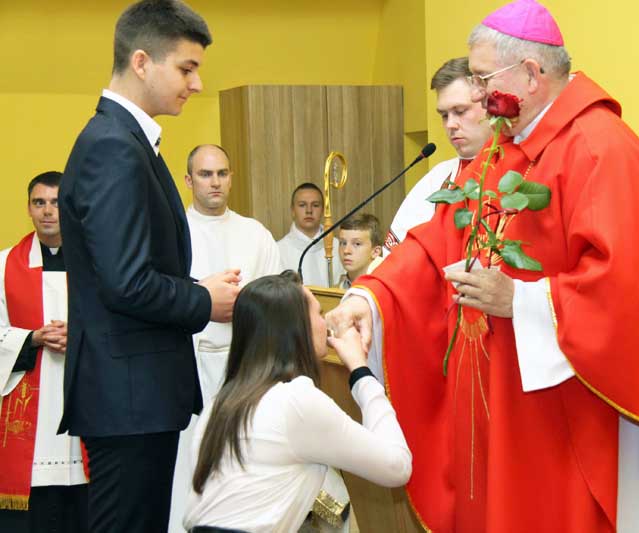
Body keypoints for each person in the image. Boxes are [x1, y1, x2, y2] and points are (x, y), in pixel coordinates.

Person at [327, 1, 639, 532]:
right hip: (506, 403)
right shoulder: (506, 151)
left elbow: (628, 291)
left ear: (532, 74)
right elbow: (438, 240)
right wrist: (369, 297)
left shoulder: (601, 149)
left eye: (483, 79)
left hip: (575, 411)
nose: (478, 95)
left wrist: (522, 300)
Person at [57, 2, 240, 532]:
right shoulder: (113, 147)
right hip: (128, 394)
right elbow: (126, 283)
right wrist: (203, 300)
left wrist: (198, 288)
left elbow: (128, 269)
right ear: (142, 62)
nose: (197, 84)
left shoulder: (127, 141)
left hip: (135, 391)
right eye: (186, 68)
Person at [183, 271, 411, 533]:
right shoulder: (294, 401)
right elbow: (397, 466)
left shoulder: (219, 403)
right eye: (318, 312)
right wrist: (361, 371)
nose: (325, 320)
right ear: (297, 329)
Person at [170, 144, 282, 532]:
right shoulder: (174, 233)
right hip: (188, 367)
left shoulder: (255, 234)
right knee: (187, 467)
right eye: (205, 174)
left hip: (244, 368)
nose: (214, 182)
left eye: (221, 173)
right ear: (189, 181)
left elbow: (277, 302)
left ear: (231, 178)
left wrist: (245, 301)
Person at [0, 172, 88, 533]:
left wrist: (79, 336)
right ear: (29, 208)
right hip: (29, 402)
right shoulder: (4, 265)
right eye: (40, 203)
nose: (48, 211)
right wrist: (32, 337)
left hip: (82, 396)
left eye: (56, 203)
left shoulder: (95, 263)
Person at [384, 57, 492, 254]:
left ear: (488, 104)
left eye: (460, 111)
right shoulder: (438, 178)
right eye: (444, 115)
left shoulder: (523, 167)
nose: (450, 124)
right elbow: (398, 255)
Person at [278, 183, 344, 287]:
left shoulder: (339, 247)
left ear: (323, 210)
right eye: (302, 205)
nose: (309, 211)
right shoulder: (278, 250)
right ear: (293, 210)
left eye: (315, 205)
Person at [337, 214, 383, 290]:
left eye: (357, 244)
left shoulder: (383, 287)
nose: (346, 251)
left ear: (375, 252)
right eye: (343, 243)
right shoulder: (337, 287)